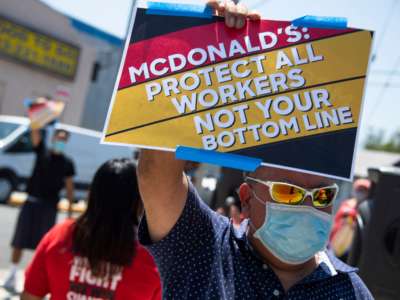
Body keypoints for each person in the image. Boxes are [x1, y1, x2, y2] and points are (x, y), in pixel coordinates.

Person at [136, 2, 373, 298]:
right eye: (288, 192)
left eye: (323, 195)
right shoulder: (203, 246)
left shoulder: (349, 291)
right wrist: (205, 41)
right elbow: (155, 173)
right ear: (246, 198)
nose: (307, 207)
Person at [21, 158, 161, 300]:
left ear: (93, 192)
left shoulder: (60, 235)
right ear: (139, 199)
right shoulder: (152, 257)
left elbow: (29, 295)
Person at [2, 125, 75, 292]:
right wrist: (38, 118)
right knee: (19, 239)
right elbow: (35, 133)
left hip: (49, 207)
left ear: (67, 142)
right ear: (53, 139)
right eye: (59, 138)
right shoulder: (42, 152)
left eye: (64, 140)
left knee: (44, 245)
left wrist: (70, 213)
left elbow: (70, 188)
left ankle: (35, 277)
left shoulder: (67, 163)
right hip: (31, 202)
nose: (60, 142)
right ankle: (12, 273)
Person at [330, 179, 371, 262]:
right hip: (337, 241)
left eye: (364, 191)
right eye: (359, 190)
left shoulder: (367, 209)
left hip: (352, 248)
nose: (361, 193)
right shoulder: (347, 204)